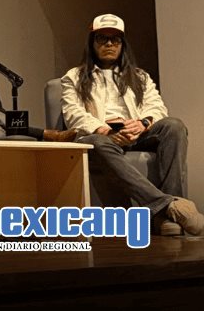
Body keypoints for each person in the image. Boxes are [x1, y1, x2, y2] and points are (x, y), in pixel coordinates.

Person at [61, 13, 203, 236]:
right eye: (102, 38)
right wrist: (104, 129)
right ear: (92, 43)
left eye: (115, 40)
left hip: (136, 132)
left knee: (174, 126)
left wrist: (142, 124)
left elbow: (157, 108)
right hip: (102, 136)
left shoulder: (140, 77)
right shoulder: (75, 77)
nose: (109, 44)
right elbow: (74, 114)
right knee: (97, 142)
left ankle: (167, 213)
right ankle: (169, 208)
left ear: (122, 45)